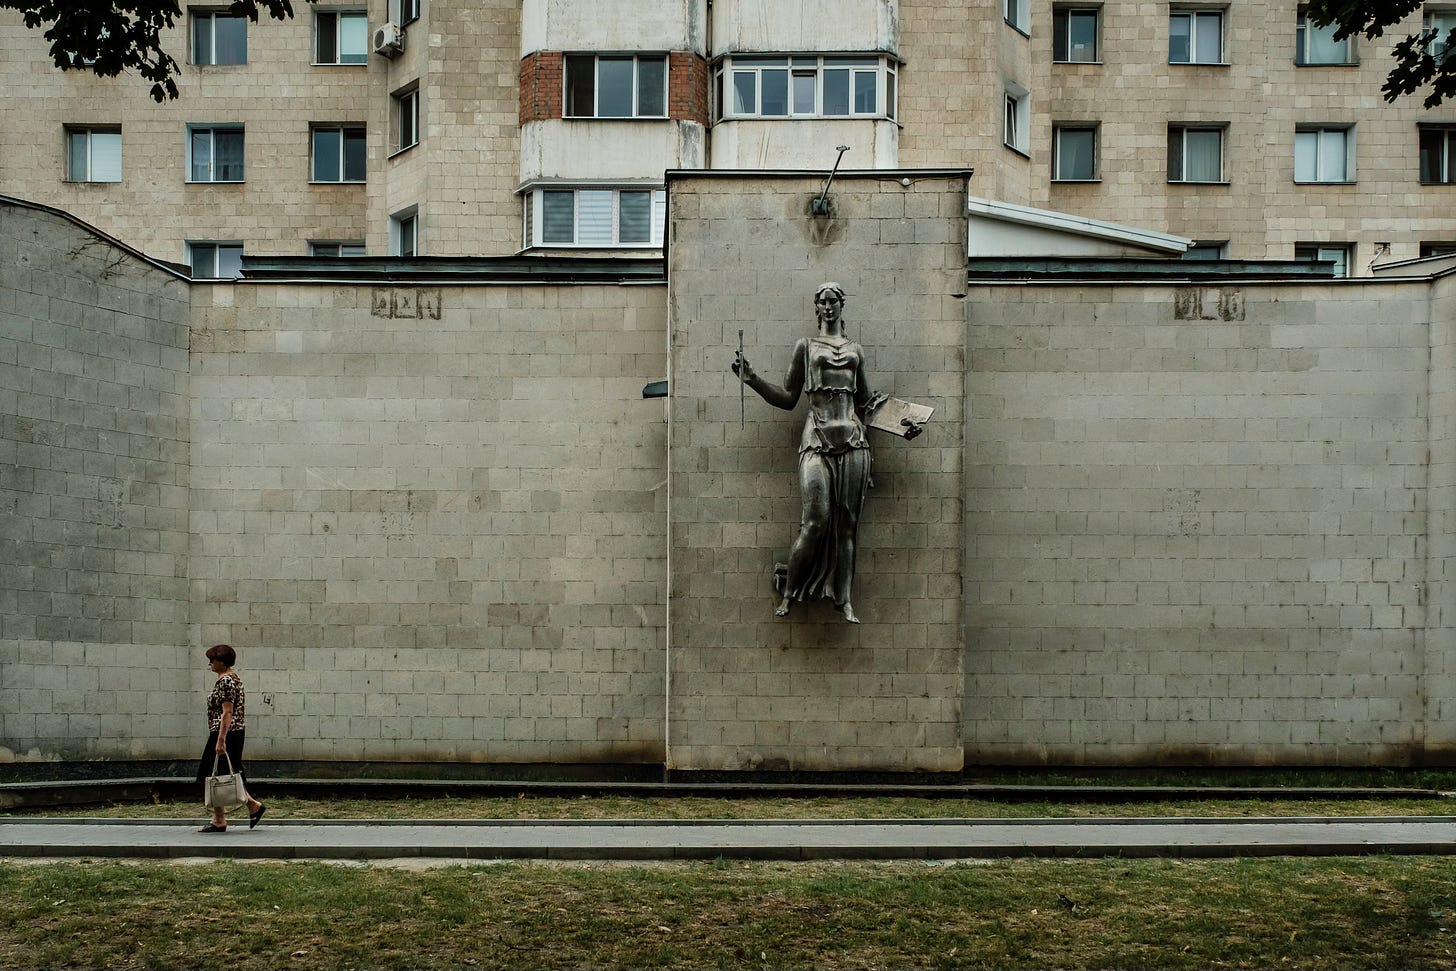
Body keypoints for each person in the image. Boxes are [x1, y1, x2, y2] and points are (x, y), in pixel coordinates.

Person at [733, 282, 910, 623]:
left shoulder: (856, 350)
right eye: (823, 302)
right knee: (815, 522)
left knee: (847, 527)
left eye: (834, 301)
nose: (828, 307)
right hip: (816, 439)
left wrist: (905, 425)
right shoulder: (806, 346)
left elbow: (866, 403)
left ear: (842, 306)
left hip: (854, 442)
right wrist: (753, 379)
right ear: (817, 307)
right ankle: (789, 593)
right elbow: (787, 397)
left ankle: (843, 599)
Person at [196, 643, 266, 832]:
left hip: (226, 733)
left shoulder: (226, 681)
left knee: (214, 775)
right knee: (220, 774)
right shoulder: (232, 678)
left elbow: (227, 712)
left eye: (213, 660)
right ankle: (232, 814)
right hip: (230, 732)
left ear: (223, 662)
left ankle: (225, 818)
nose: (210, 663)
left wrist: (220, 740)